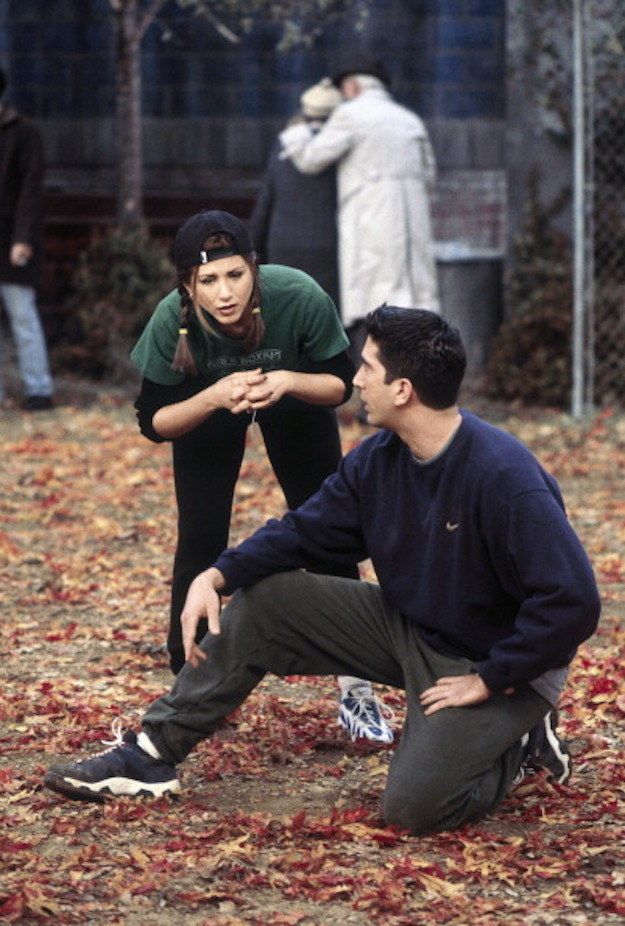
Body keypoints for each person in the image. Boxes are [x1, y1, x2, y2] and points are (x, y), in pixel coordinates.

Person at [44, 306, 601, 836]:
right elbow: (302, 532)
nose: (356, 380)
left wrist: (493, 678)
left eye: (368, 368)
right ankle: (152, 755)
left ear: (403, 390)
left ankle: (518, 740)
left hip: (494, 661)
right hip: (413, 627)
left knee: (415, 807)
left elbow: (573, 601)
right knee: (271, 602)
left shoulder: (504, 477)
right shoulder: (378, 459)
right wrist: (216, 576)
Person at [129, 209, 392, 743]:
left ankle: (357, 689)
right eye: (207, 280)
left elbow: (342, 385)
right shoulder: (169, 319)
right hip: (208, 402)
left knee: (329, 526)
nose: (224, 292)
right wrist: (212, 396)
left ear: (255, 269)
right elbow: (153, 423)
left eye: (235, 275)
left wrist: (289, 379)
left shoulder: (297, 294)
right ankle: (191, 686)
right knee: (200, 536)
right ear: (188, 284)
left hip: (292, 392)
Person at [280, 56, 439, 361]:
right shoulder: (410, 119)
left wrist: (297, 131)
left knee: (375, 305)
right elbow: (430, 177)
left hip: (372, 227)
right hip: (412, 233)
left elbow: (311, 159)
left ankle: (374, 393)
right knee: (412, 308)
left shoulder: (350, 115)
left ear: (352, 86)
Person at [248, 78, 341, 311]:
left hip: (283, 246)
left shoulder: (284, 144)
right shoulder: (340, 149)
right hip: (329, 247)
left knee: (286, 316)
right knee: (324, 318)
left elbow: (265, 204)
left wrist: (251, 249)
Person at [0, 65, 53, 411]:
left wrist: (22, 239)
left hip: (10, 240)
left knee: (22, 316)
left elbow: (31, 190)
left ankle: (39, 389)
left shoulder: (23, 133)